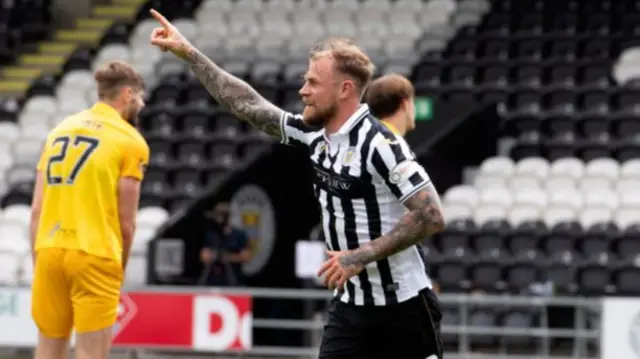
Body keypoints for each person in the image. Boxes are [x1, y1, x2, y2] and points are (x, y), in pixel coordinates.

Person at [148, 9, 445, 359]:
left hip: (404, 307)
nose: (303, 90)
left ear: (345, 89)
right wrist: (191, 55)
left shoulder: (380, 145)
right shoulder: (312, 133)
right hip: (351, 307)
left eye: (313, 83)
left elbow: (431, 215)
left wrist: (360, 256)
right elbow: (247, 104)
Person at [29, 60, 149, 359]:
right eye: (140, 96)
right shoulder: (130, 140)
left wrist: (40, 260)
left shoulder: (58, 130)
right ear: (126, 95)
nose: (143, 103)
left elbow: (36, 210)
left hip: (50, 250)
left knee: (47, 349)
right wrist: (118, 270)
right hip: (95, 254)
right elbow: (127, 223)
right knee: (90, 353)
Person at [199, 202, 252, 286]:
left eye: (219, 216)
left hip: (233, 280)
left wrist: (229, 257)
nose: (217, 219)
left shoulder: (239, 234)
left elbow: (247, 257)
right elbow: (203, 256)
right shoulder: (211, 234)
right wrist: (214, 256)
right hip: (213, 280)